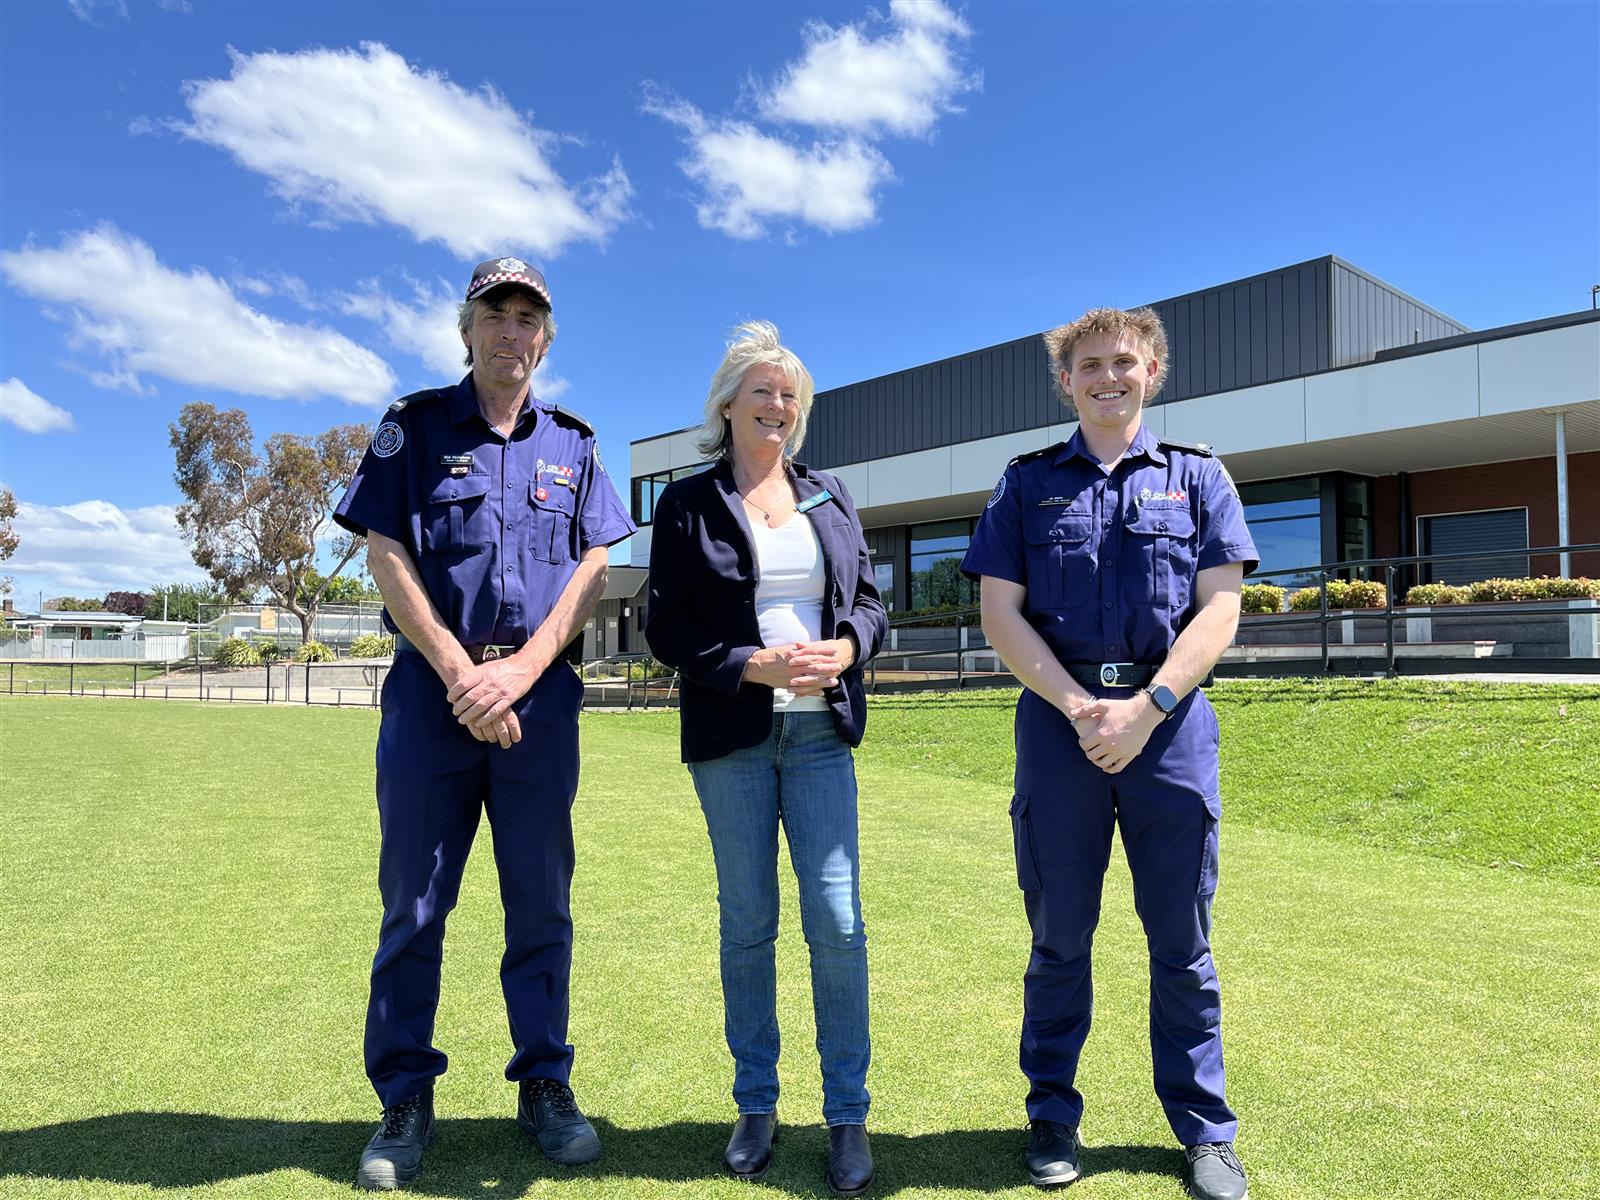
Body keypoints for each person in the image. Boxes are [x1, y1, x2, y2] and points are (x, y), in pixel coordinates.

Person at [332, 257, 635, 1192]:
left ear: (547, 339)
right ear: (467, 328)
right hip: (434, 697)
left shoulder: (576, 445)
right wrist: (464, 672)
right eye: (495, 315)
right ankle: (404, 1096)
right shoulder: (413, 428)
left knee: (541, 903)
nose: (512, 332)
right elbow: (386, 554)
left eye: (528, 319)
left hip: (538, 703)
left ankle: (544, 1083)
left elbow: (592, 570)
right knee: (414, 904)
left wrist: (521, 670)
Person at [960, 307, 1257, 1200]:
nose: (1106, 378)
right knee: (1059, 942)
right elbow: (999, 613)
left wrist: (1150, 706)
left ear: (1153, 370)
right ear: (1066, 381)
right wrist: (1084, 705)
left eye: (1122, 362)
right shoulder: (1026, 483)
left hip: (1170, 731)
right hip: (1062, 728)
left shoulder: (1200, 478)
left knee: (1182, 944)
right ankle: (1052, 1115)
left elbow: (1220, 607)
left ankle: (1205, 1131)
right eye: (1088, 366)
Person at [644, 322, 887, 1197]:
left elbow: (867, 602)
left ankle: (847, 1115)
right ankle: (756, 1103)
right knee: (748, 923)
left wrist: (849, 649)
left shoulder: (831, 496)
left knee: (838, 923)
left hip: (823, 737)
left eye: (790, 395)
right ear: (728, 404)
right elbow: (662, 626)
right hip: (733, 741)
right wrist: (746, 664)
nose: (777, 406)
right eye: (763, 392)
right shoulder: (687, 503)